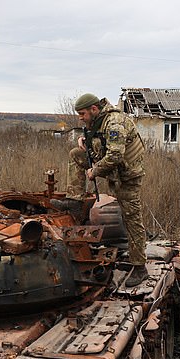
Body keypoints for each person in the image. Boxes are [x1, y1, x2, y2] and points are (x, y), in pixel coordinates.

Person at [51, 93, 148, 287]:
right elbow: (96, 137)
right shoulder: (98, 119)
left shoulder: (114, 123)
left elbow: (115, 156)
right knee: (76, 154)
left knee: (131, 217)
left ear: (94, 109)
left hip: (127, 175)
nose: (80, 118)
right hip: (113, 168)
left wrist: (94, 171)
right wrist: (84, 141)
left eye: (82, 114)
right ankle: (75, 201)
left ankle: (139, 267)